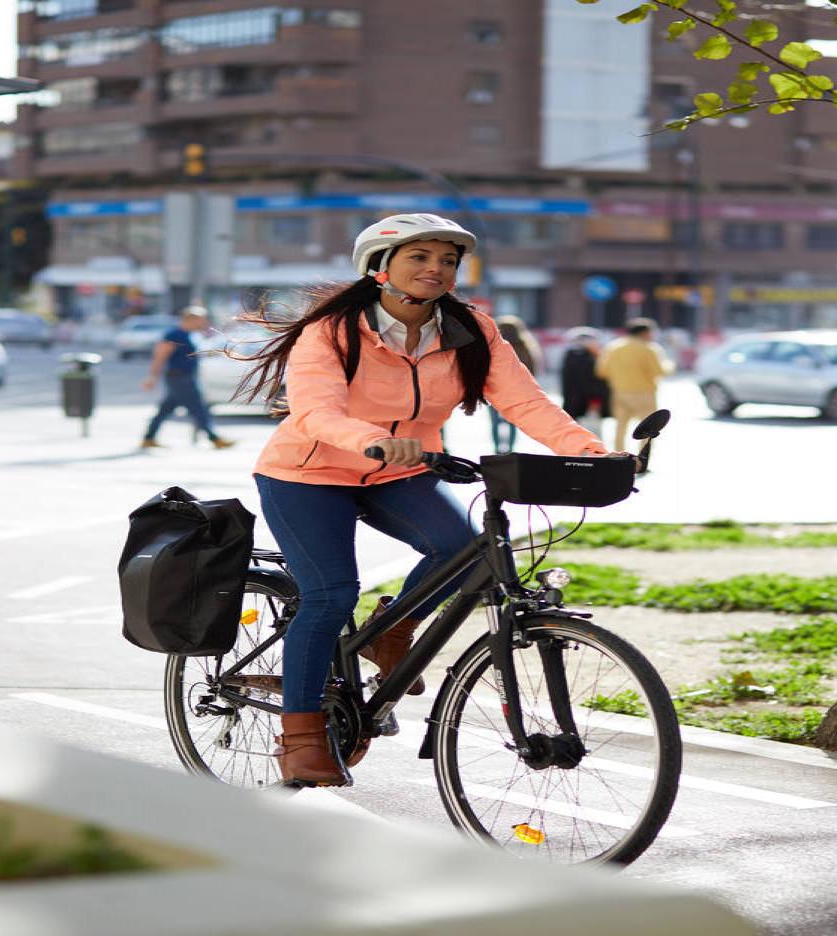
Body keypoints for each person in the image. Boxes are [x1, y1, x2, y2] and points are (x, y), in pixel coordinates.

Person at [238, 213, 621, 787]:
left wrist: (589, 452)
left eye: (448, 260)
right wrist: (372, 440)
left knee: (464, 546)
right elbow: (315, 411)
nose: (437, 269)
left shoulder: (471, 330)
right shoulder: (334, 331)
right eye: (420, 258)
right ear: (380, 267)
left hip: (401, 468)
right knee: (332, 594)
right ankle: (301, 737)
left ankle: (395, 627)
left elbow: (525, 402)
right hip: (309, 472)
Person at [139, 306, 235, 450]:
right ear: (191, 319)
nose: (204, 322)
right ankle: (214, 438)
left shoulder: (191, 334)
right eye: (202, 319)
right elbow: (160, 356)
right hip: (179, 378)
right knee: (198, 408)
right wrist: (152, 377)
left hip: (185, 377)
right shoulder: (174, 335)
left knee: (165, 409)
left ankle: (148, 438)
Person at [596, 317, 675, 462]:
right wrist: (670, 364)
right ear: (645, 333)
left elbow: (602, 371)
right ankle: (642, 459)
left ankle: (618, 457)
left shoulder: (613, 347)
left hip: (619, 392)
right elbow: (660, 371)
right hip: (644, 393)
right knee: (648, 429)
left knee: (620, 427)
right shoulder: (649, 348)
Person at [488, 314, 542, 453]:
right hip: (516, 391)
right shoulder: (525, 347)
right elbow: (531, 370)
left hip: (494, 390)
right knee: (512, 421)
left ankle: (497, 448)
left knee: (494, 422)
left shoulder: (492, 346)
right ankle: (510, 449)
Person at [559, 327, 610, 438]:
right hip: (590, 401)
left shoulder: (569, 356)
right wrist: (596, 400)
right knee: (592, 431)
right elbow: (596, 382)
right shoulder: (590, 359)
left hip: (572, 399)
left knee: (574, 429)